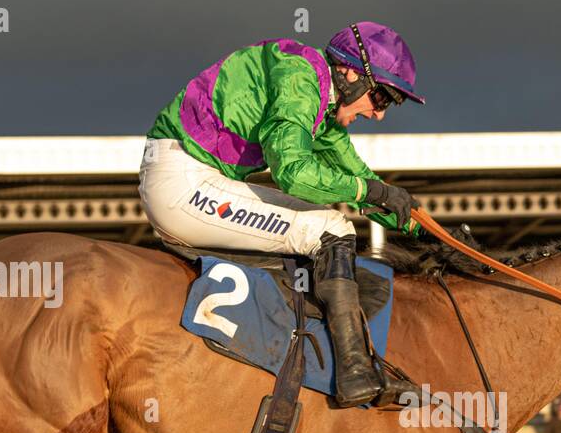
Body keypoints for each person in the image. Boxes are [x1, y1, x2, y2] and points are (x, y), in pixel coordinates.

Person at [139, 23, 424, 407]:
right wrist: (370, 192)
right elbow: (292, 172)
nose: (378, 115)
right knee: (329, 229)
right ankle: (354, 372)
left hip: (190, 175)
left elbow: (358, 177)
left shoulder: (321, 98)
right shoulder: (300, 80)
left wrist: (414, 221)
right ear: (353, 73)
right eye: (382, 98)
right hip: (183, 182)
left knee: (330, 225)